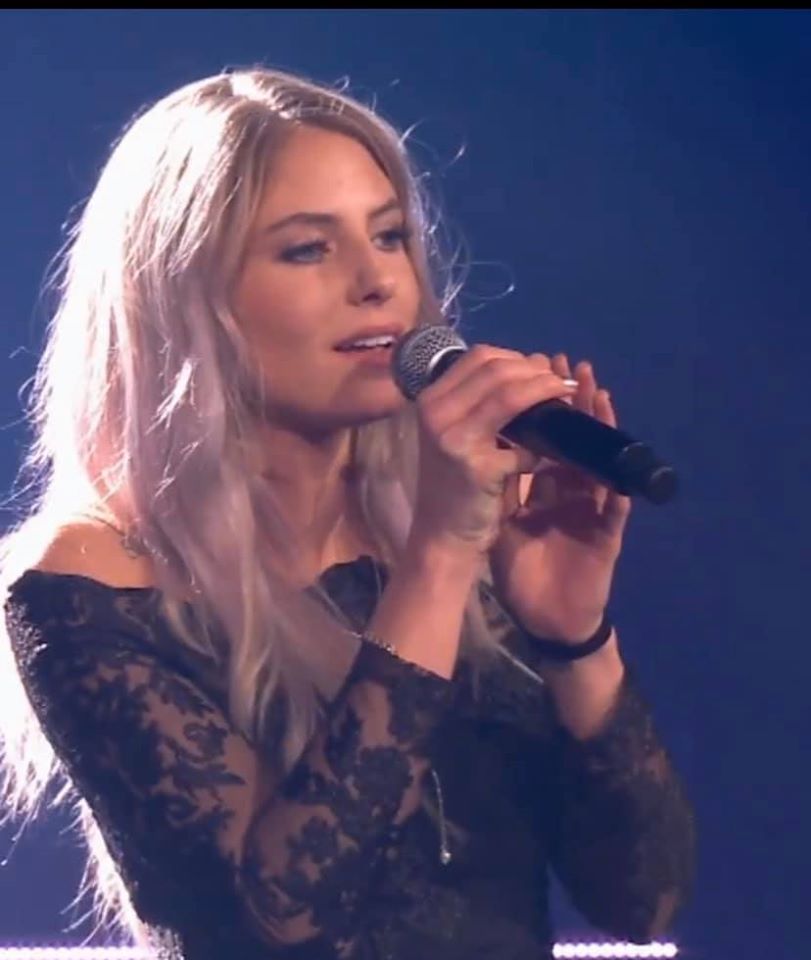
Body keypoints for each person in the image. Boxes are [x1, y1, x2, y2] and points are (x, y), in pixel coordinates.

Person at [0, 67, 694, 960]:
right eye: (307, 249)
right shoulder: (87, 584)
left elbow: (642, 900)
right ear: (182, 295)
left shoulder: (450, 524)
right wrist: (438, 559)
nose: (376, 282)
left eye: (389, 235)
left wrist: (573, 636)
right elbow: (285, 921)